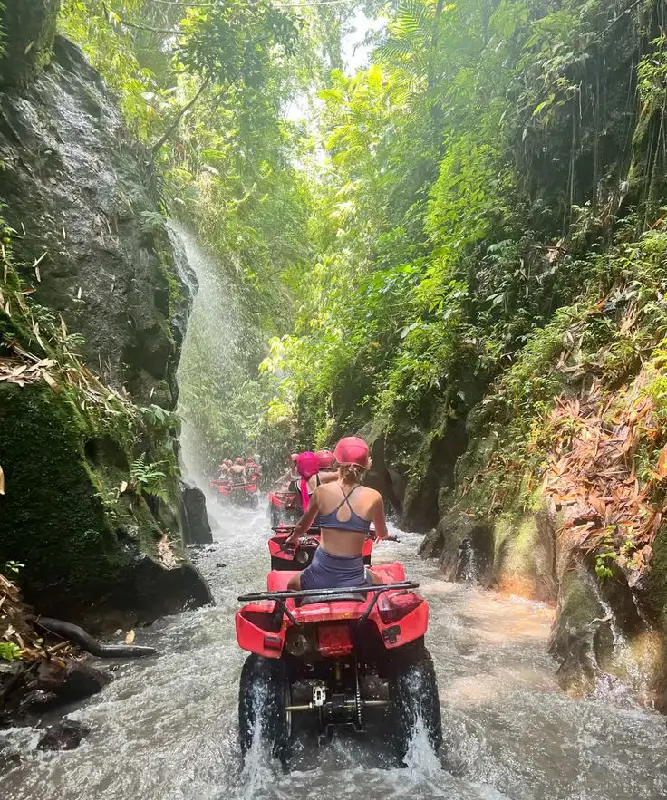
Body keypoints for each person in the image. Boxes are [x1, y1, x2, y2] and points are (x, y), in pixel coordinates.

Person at [285, 437, 388, 591]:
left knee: (291, 584)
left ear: (336, 463)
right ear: (367, 465)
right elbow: (382, 533)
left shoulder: (321, 492)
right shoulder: (374, 496)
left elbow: (302, 526)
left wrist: (293, 538)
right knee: (379, 582)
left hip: (318, 577)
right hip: (356, 579)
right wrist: (382, 534)